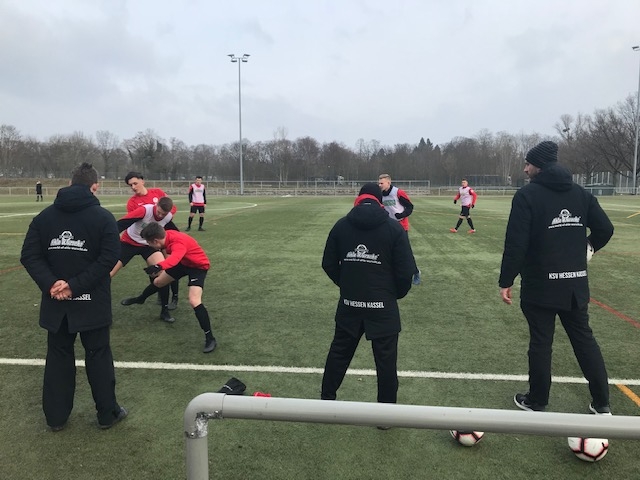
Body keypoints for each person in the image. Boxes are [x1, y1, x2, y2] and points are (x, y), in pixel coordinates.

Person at [498, 141, 614, 415]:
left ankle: (537, 400)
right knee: (584, 340)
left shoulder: (527, 196)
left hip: (540, 286)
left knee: (541, 343)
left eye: (527, 163)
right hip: (575, 285)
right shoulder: (580, 194)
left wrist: (506, 280)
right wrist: (589, 247)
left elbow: (516, 243)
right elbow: (605, 229)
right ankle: (602, 403)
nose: (525, 169)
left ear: (538, 165)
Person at [20, 162, 127, 431]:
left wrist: (54, 285)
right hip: (91, 302)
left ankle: (55, 419)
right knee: (98, 355)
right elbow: (109, 258)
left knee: (58, 357)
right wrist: (72, 286)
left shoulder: (44, 217)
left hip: (56, 302)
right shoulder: (103, 218)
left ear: (70, 183)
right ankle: (107, 414)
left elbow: (30, 256)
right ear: (94, 187)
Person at [320, 183, 416, 416]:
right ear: (379, 201)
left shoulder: (341, 225)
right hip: (383, 306)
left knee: (339, 353)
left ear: (359, 198)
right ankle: (385, 414)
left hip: (349, 304)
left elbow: (328, 264)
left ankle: (325, 402)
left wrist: (347, 285)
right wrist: (393, 294)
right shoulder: (394, 229)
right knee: (386, 362)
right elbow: (406, 272)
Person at [120, 222, 217, 353]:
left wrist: (158, 266)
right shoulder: (167, 236)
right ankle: (141, 299)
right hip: (184, 263)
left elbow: (175, 258)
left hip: (198, 267)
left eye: (149, 243)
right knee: (158, 282)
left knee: (194, 300)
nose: (149, 246)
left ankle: (210, 338)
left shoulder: (178, 243)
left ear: (155, 241)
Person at [111, 196, 180, 322]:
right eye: (159, 212)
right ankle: (101, 308)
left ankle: (164, 311)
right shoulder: (144, 211)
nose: (160, 216)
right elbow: (121, 224)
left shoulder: (167, 217)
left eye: (163, 214)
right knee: (109, 272)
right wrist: (109, 240)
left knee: (163, 272)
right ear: (156, 205)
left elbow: (174, 231)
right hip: (129, 242)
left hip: (148, 245)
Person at [124, 171, 180, 307]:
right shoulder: (132, 203)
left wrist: (163, 219)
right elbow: (135, 222)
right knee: (155, 267)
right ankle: (161, 293)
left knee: (171, 264)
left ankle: (175, 297)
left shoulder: (157, 193)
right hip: (149, 238)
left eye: (135, 183)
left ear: (142, 181)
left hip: (164, 232)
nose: (133, 187)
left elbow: (171, 208)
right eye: (130, 185)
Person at [377, 173, 421, 285]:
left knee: (405, 251)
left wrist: (401, 215)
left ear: (388, 182)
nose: (380, 185)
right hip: (388, 225)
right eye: (379, 183)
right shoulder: (380, 195)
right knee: (387, 250)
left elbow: (410, 207)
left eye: (382, 183)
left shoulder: (398, 192)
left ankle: (415, 272)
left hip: (401, 226)